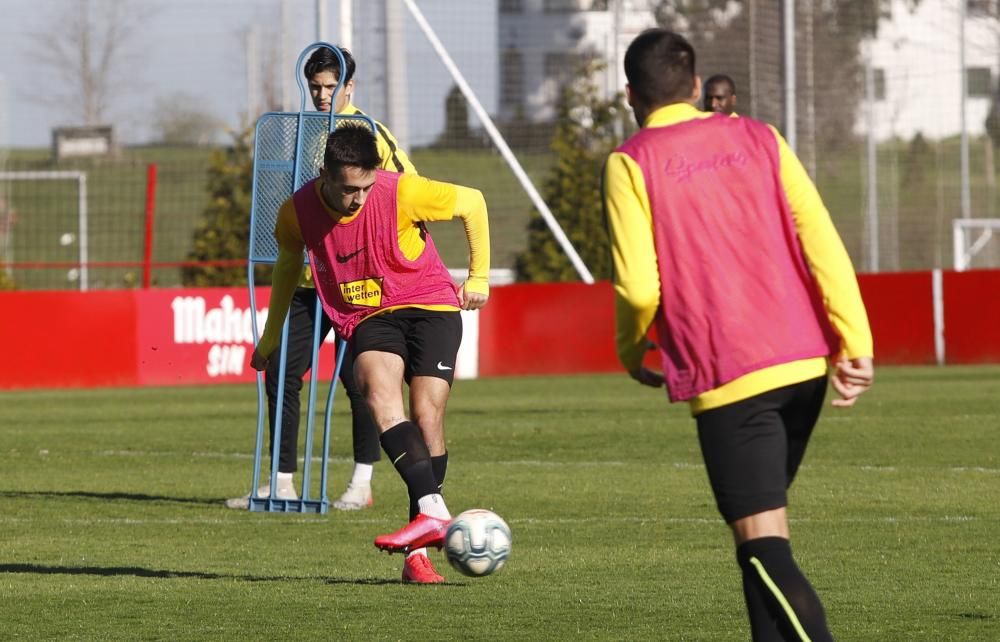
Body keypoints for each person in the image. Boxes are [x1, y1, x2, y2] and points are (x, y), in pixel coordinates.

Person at [604, 29, 874, 641]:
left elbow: (640, 289)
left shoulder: (630, 161)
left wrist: (629, 351)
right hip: (803, 363)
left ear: (629, 95)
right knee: (760, 537)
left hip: (732, 376)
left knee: (762, 549)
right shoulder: (763, 137)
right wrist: (854, 341)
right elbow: (822, 241)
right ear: (696, 86)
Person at [251, 126, 490, 584]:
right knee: (379, 397)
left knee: (427, 417)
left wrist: (478, 278)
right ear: (324, 175)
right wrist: (270, 338)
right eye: (347, 190)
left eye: (365, 187)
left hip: (432, 305)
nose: (358, 200)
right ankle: (432, 520)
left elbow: (473, 202)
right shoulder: (295, 213)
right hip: (369, 315)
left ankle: (420, 541)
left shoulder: (402, 191)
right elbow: (285, 269)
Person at [226, 46, 417, 512]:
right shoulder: (302, 131)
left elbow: (407, 186)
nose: (322, 95)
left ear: (350, 87)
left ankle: (361, 482)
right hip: (310, 282)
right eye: (315, 87)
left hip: (357, 281)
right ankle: (282, 481)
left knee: (360, 381)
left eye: (332, 87)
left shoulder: (371, 134)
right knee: (281, 374)